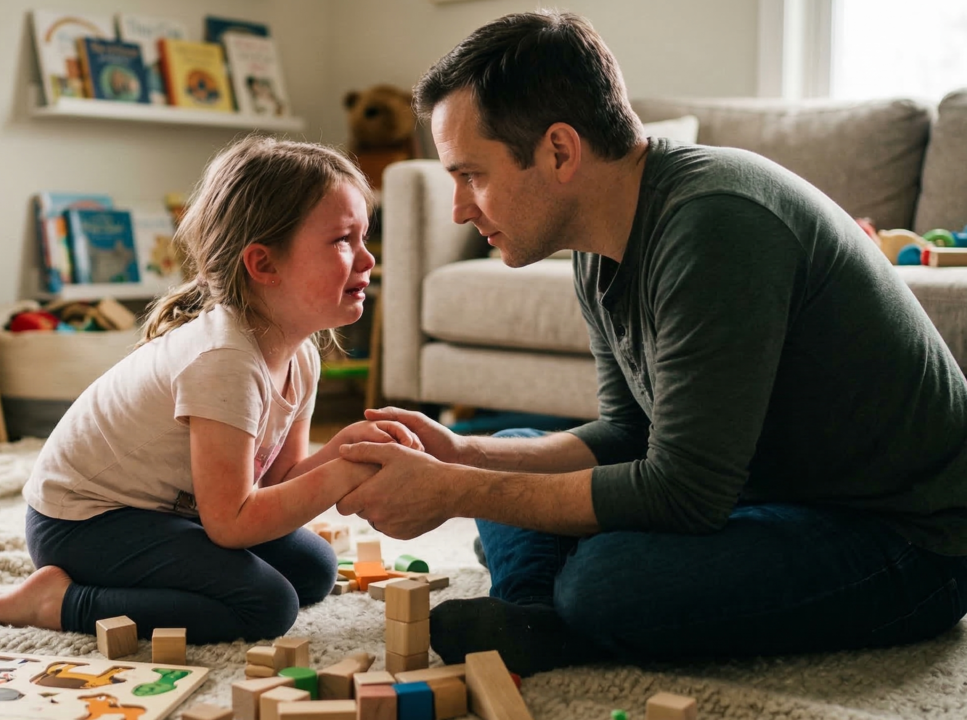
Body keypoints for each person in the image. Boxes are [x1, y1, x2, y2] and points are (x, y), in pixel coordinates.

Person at [334, 10, 967, 676]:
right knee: (513, 452)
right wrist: (463, 454)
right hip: (763, 490)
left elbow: (683, 495)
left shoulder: (717, 225)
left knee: (607, 578)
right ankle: (536, 620)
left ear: (559, 151)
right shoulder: (594, 242)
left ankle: (560, 614)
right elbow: (631, 431)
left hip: (906, 540)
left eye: (472, 175)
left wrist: (455, 491)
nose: (461, 208)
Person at [0, 136, 420, 643]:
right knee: (267, 606)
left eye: (363, 238)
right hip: (83, 523)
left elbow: (276, 480)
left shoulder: (302, 353)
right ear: (264, 265)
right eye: (342, 241)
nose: (367, 259)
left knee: (314, 569)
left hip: (170, 513)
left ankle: (111, 588)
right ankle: (60, 601)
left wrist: (345, 450)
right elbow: (233, 523)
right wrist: (342, 475)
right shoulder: (224, 361)